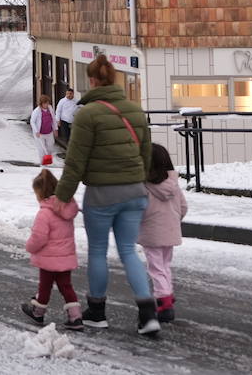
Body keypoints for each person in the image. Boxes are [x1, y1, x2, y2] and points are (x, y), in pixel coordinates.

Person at [54, 54, 159, 337]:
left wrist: (61, 196)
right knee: (128, 251)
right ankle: (148, 313)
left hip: (102, 194)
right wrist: (140, 181)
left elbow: (75, 162)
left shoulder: (87, 114)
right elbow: (146, 154)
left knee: (99, 251)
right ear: (114, 79)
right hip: (135, 191)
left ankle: (97, 312)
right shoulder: (136, 111)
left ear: (92, 80)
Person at [21, 168, 83, 330]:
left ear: (40, 193)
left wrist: (30, 247)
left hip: (48, 259)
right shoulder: (65, 208)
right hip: (65, 257)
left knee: (45, 286)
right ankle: (75, 317)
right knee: (66, 285)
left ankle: (38, 312)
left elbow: (39, 237)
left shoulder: (44, 213)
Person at [139, 143, 188, 324]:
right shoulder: (173, 185)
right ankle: (168, 295)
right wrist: (174, 221)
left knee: (156, 269)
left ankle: (164, 304)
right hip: (170, 231)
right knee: (165, 266)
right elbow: (183, 207)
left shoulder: (144, 187)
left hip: (151, 233)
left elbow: (140, 211)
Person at [29, 95, 56, 165]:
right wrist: (36, 131)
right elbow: (32, 121)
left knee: (50, 147)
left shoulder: (50, 108)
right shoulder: (37, 111)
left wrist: (55, 129)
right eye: (45, 103)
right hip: (40, 133)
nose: (47, 105)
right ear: (41, 103)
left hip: (49, 132)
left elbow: (53, 118)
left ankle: (47, 159)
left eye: (47, 103)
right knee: (41, 149)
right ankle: (43, 163)